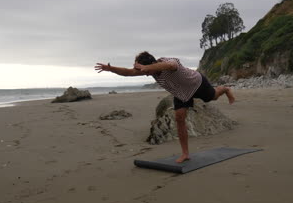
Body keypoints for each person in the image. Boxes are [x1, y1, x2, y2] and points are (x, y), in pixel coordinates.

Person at [95, 51, 235, 163]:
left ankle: (225, 89)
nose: (145, 74)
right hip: (181, 93)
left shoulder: (168, 62)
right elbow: (128, 72)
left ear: (150, 64)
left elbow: (170, 66)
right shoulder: (148, 70)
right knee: (179, 118)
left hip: (196, 84)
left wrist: (147, 68)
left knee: (214, 96)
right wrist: (110, 68)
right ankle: (185, 153)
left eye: (144, 70)